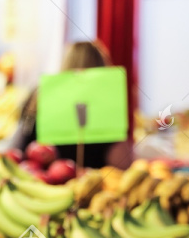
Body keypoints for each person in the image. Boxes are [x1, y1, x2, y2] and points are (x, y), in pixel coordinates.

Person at [13, 40, 129, 168]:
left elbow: (21, 146)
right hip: (96, 182)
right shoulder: (110, 104)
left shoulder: (40, 95)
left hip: (47, 179)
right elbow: (121, 160)